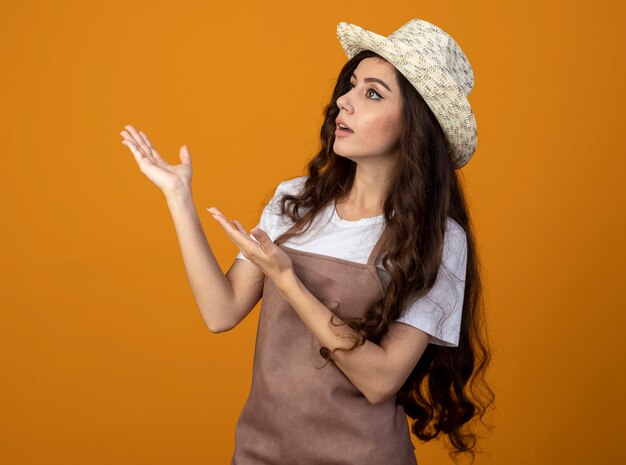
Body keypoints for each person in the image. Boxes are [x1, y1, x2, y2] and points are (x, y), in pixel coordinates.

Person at [120, 17, 494, 465]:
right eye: (351, 85)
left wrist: (288, 280)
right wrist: (178, 196)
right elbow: (220, 312)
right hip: (261, 452)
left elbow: (380, 381)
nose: (343, 101)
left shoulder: (438, 239)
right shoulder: (294, 201)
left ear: (414, 125)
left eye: (372, 93)